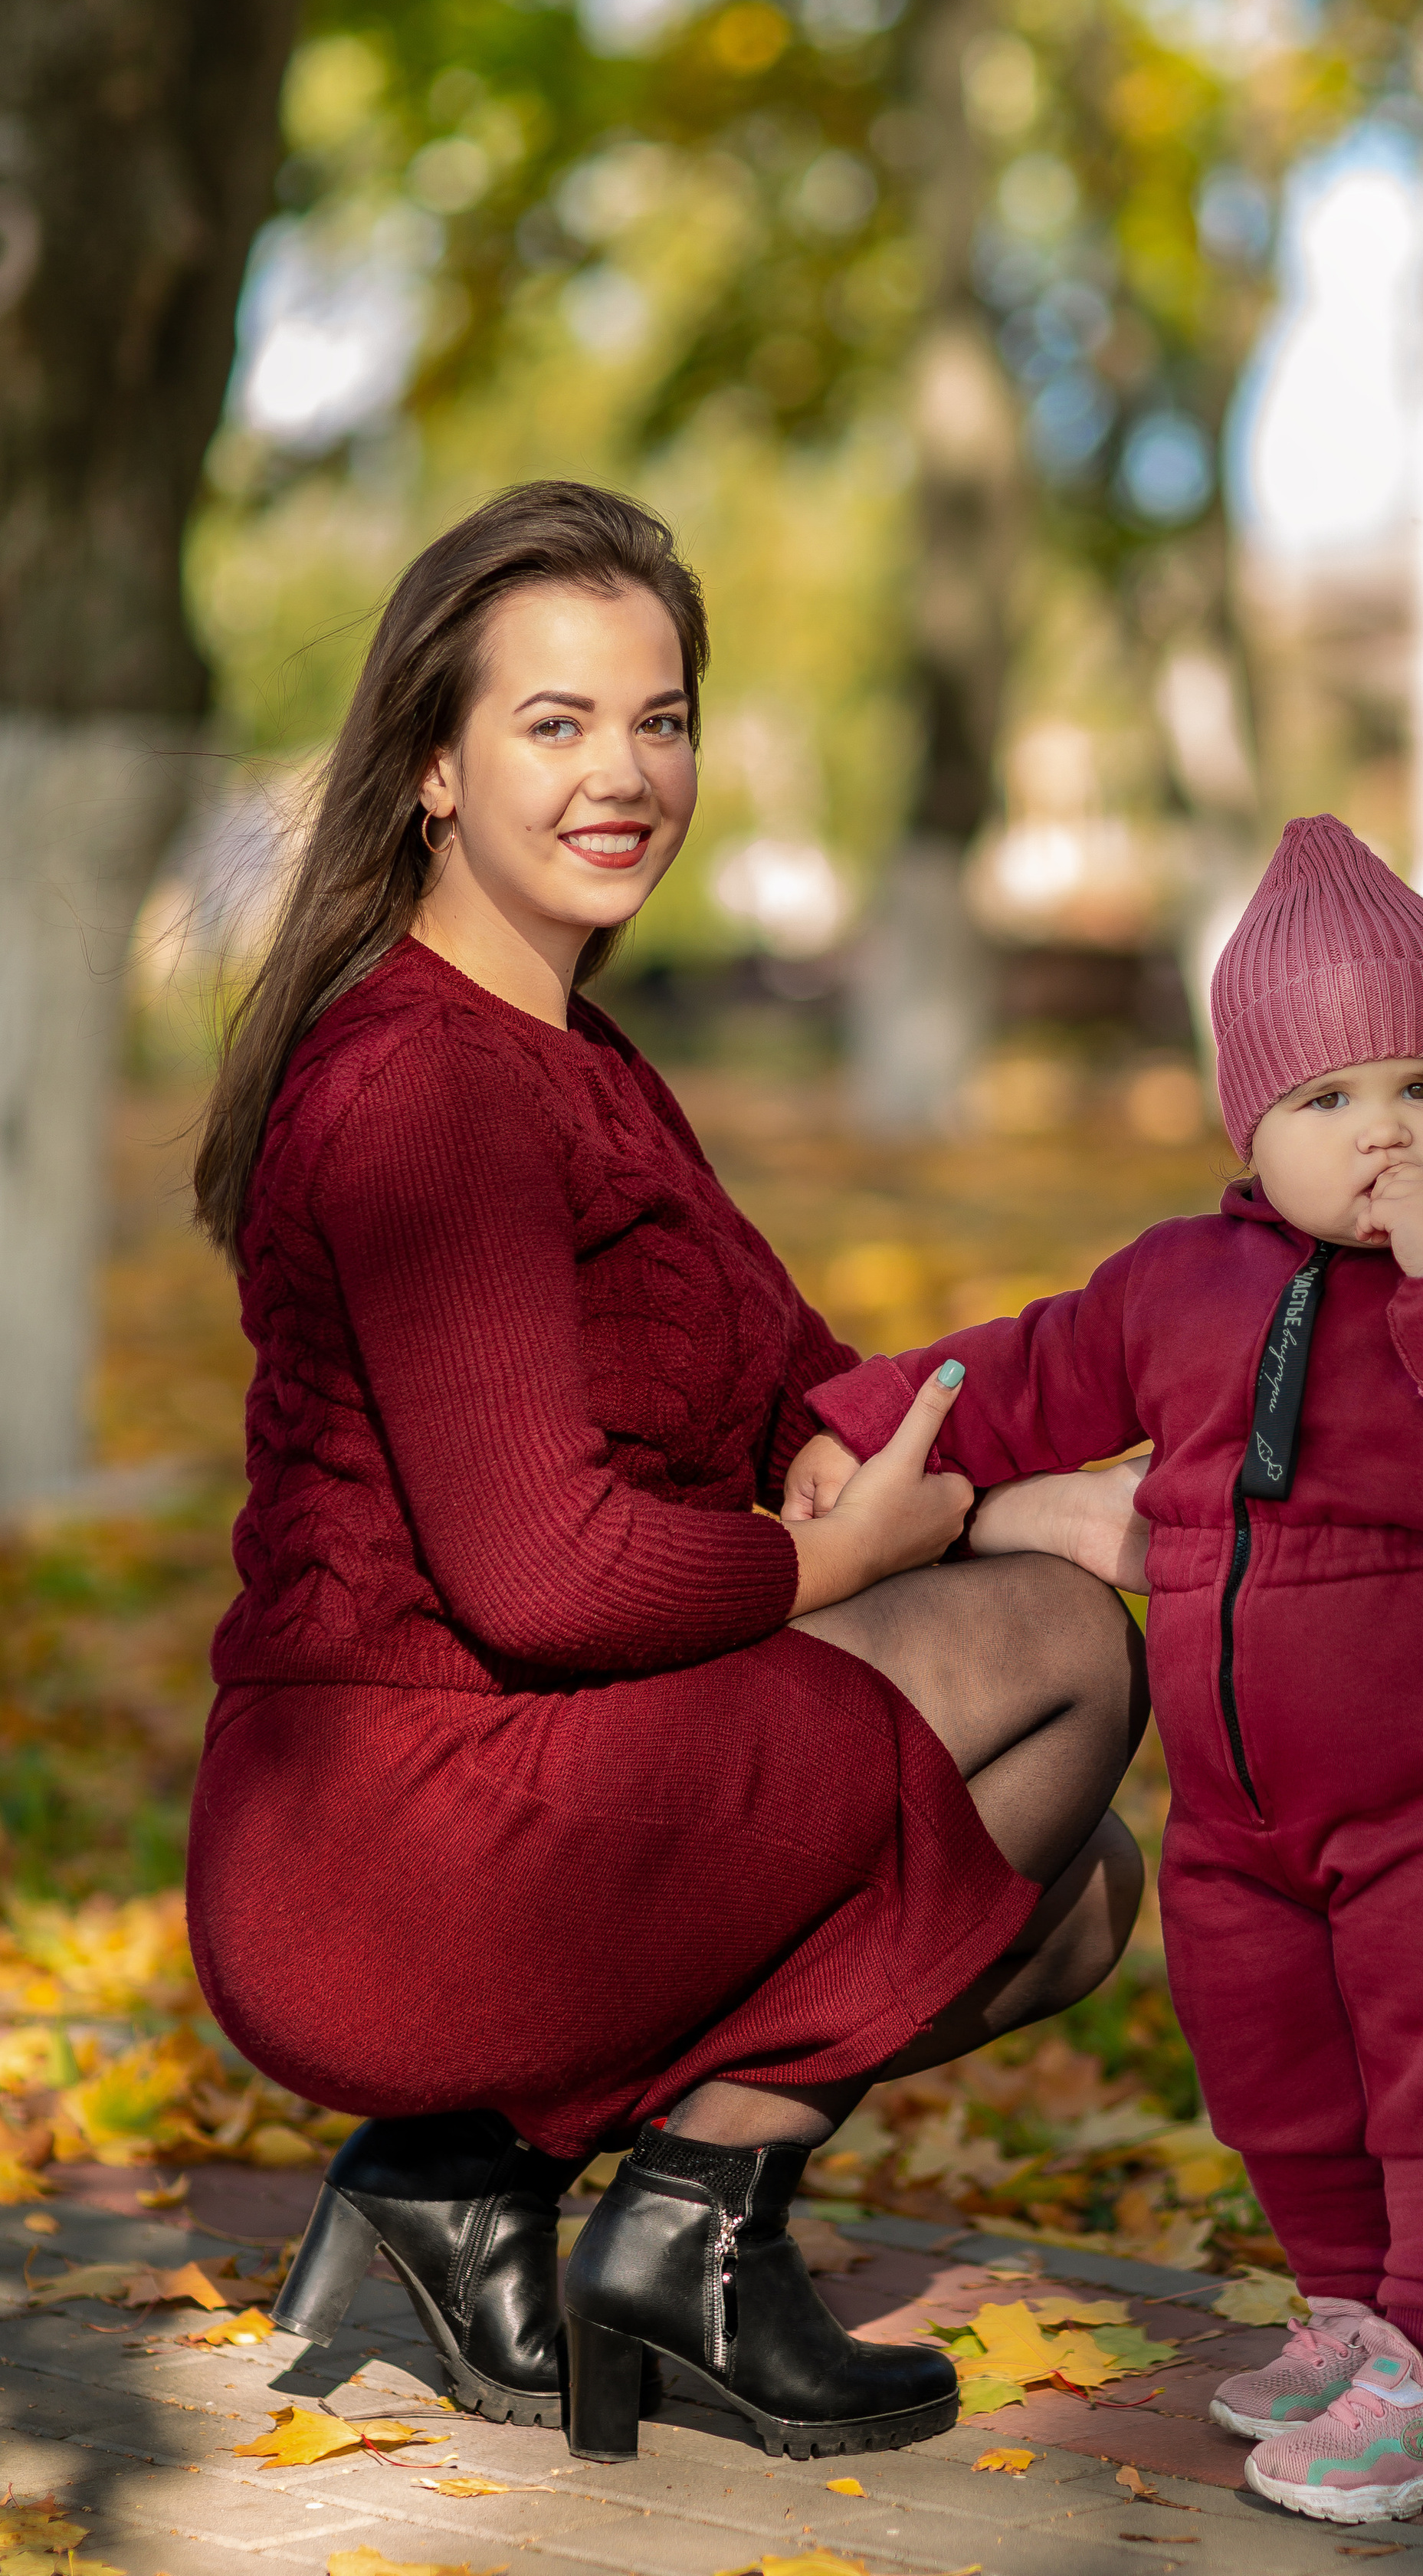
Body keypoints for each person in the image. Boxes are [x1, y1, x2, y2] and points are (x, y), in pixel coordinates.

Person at [185, 481, 1147, 2466]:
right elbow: (542, 1571)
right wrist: (851, 1568)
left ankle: (463, 2191)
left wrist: (1078, 1477)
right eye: (557, 722)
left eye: (663, 716)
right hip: (394, 1831)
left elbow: (808, 1395)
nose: (626, 771)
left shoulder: (582, 1057)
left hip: (534, 1769)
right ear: (434, 768)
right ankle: (687, 2244)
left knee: (1059, 1894)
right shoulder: (428, 1084)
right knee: (1060, 1660)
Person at [785, 816, 1423, 2528]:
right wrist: (854, 1420)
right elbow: (1024, 1373)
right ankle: (1354, 2315)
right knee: (1274, 2072)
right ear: (1246, 1129)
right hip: (1243, 1811)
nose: (1384, 1132)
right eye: (1326, 1100)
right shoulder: (1182, 1281)